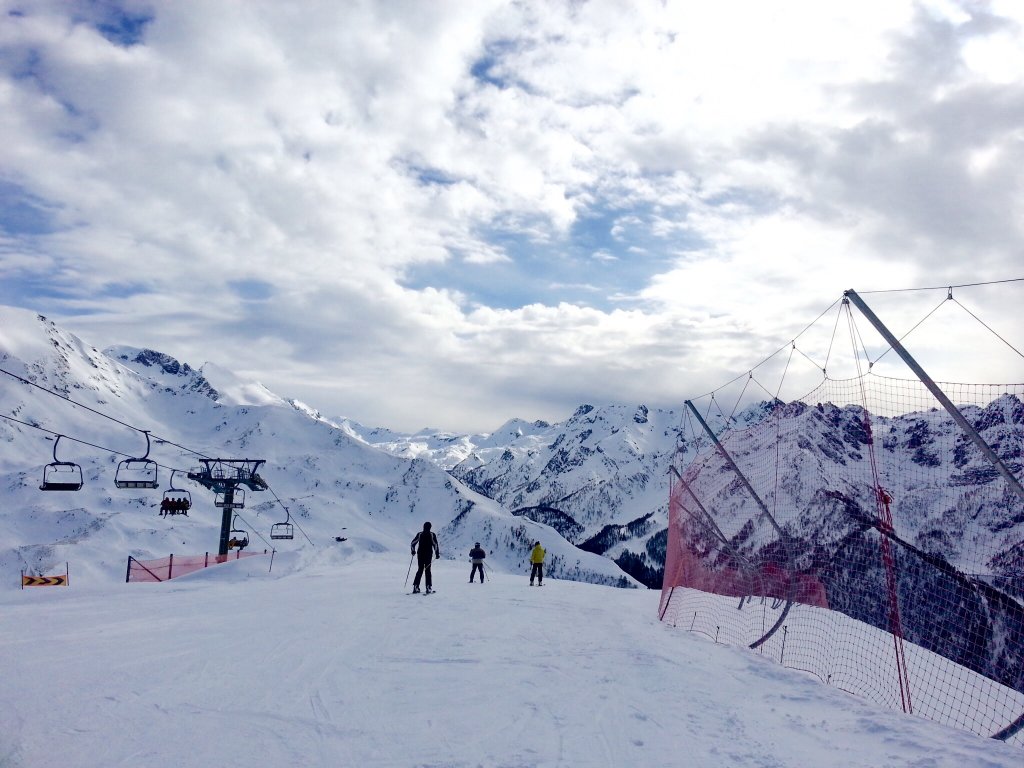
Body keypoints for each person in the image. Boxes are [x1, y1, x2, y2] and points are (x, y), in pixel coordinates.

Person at [410, 521, 440, 593]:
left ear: (423, 527)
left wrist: (413, 551)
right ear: (430, 527)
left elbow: (412, 543)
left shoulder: (420, 534)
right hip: (428, 555)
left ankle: (416, 586)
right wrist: (437, 554)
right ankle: (428, 587)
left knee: (420, 570)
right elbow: (435, 545)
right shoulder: (432, 534)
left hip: (420, 554)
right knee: (428, 570)